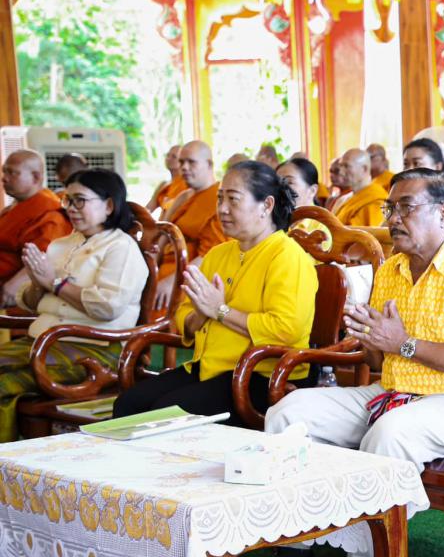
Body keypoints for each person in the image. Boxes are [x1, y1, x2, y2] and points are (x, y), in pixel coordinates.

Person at [245, 168, 444, 557]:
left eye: (406, 207)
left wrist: (401, 343)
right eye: (391, 208)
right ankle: (295, 549)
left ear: (443, 214)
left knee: (391, 434)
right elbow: (378, 357)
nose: (393, 218)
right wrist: (367, 337)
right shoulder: (392, 268)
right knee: (290, 413)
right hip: (395, 390)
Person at [114, 161, 317, 426]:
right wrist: (201, 314)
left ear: (266, 205)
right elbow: (183, 316)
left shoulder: (288, 257)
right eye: (220, 198)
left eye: (233, 199)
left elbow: (286, 329)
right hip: (211, 368)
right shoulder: (218, 254)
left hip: (262, 375)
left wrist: (220, 311)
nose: (222, 209)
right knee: (128, 405)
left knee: (166, 415)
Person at [0, 169, 148, 441]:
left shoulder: (120, 247)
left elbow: (108, 307)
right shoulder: (61, 244)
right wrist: (38, 282)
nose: (71, 208)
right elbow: (30, 303)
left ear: (108, 205)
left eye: (80, 200)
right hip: (43, 342)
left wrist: (54, 283)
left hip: (94, 349)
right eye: (68, 200)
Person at [153, 141, 226, 313]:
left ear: (209, 164)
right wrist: (150, 268)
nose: (184, 167)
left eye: (191, 162)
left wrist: (174, 281)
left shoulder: (219, 200)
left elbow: (209, 254)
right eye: (181, 162)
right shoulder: (183, 197)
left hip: (189, 278)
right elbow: (164, 234)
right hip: (164, 270)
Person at [0, 150, 72, 307]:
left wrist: (12, 287)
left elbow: (45, 258)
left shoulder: (50, 214)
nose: (4, 178)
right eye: (4, 171)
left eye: (12, 172)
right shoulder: (14, 207)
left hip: (12, 294)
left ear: (36, 177)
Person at [333, 148, 389, 228]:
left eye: (346, 166)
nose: (341, 172)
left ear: (364, 169)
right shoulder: (343, 199)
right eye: (341, 166)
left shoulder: (376, 200)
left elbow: (371, 233)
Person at [147, 144, 187, 214]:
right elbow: (148, 209)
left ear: (182, 161)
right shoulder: (163, 185)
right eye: (168, 155)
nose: (168, 159)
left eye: (174, 156)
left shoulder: (187, 184)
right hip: (163, 220)